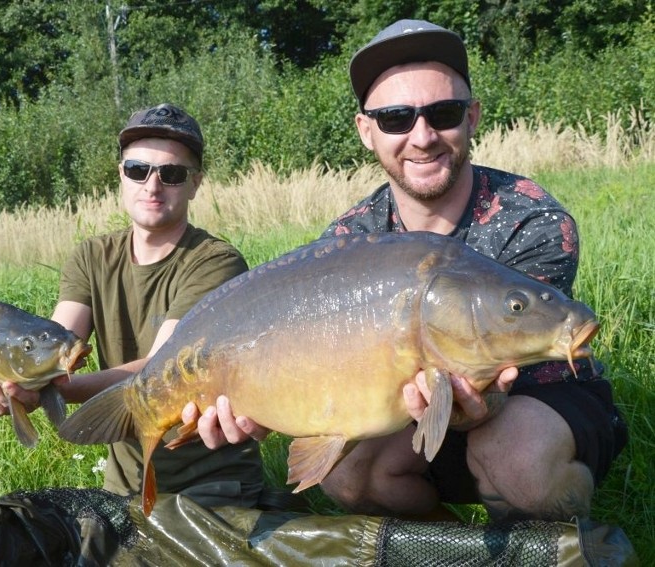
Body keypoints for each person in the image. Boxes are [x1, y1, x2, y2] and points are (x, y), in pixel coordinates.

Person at [185, 19, 628, 523]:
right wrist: (262, 406)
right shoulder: (347, 242)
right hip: (413, 412)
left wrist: (470, 398)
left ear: (473, 117)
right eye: (396, 118)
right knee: (348, 473)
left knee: (515, 459)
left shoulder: (532, 218)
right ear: (366, 131)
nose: (422, 136)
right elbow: (315, 371)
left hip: (539, 406)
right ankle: (451, 553)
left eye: (443, 112)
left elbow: (513, 352)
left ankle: (563, 540)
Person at [0, 103, 264, 509]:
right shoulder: (91, 256)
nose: (152, 185)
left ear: (195, 184)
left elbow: (160, 368)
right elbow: (54, 344)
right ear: (121, 176)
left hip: (214, 485)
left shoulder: (215, 260)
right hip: (126, 487)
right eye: (137, 170)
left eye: (172, 174)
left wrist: (45, 390)